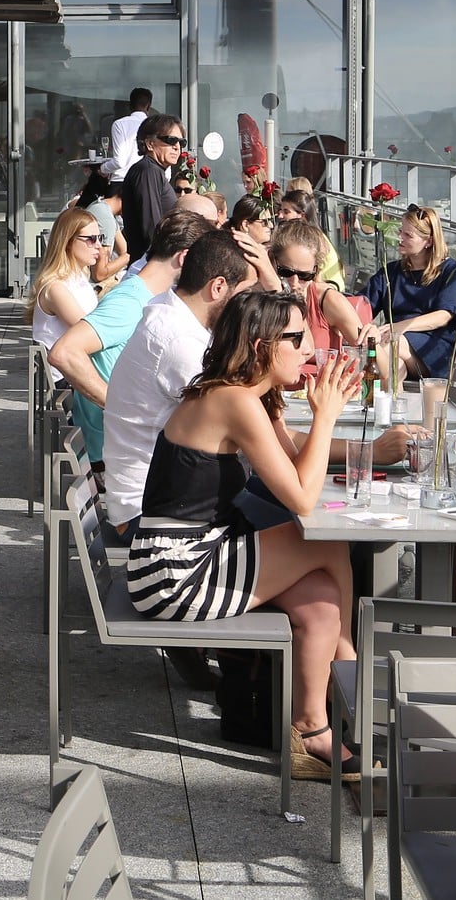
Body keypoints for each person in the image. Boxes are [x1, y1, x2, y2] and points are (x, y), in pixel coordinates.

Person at [125, 290, 361, 780]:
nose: (310, 349)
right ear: (261, 347)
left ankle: (311, 727)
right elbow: (301, 497)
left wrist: (300, 414)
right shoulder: (232, 400)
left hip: (185, 554)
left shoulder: (243, 394)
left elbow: (296, 469)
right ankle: (353, 680)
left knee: (320, 600)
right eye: (297, 338)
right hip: (174, 571)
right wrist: (325, 415)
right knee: (329, 544)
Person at [101, 230, 254, 534]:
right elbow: (248, 427)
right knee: (303, 535)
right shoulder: (181, 341)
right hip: (150, 515)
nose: (247, 306)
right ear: (219, 287)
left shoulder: (170, 314)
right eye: (244, 294)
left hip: (153, 500)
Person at [50, 210, 217, 482]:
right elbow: (64, 353)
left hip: (125, 450)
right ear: (185, 258)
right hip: (118, 457)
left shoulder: (145, 295)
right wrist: (122, 408)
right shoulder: (130, 301)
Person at [358, 203, 456, 380]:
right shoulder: (392, 271)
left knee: (390, 345)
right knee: (395, 365)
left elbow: (443, 316)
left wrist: (396, 328)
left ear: (429, 241)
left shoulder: (452, 272)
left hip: (432, 352)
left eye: (408, 235)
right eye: (401, 231)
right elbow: (364, 303)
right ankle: (391, 406)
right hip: (394, 347)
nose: (400, 237)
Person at [29, 207, 104, 381]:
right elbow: (92, 333)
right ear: (68, 242)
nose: (99, 245)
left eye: (100, 238)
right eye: (91, 239)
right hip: (68, 378)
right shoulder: (56, 288)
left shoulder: (79, 279)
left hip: (80, 368)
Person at [274, 220, 366, 356]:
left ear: (315, 271)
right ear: (273, 262)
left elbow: (383, 369)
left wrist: (373, 342)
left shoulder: (328, 300)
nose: (294, 282)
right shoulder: (262, 295)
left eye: (304, 275)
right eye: (285, 272)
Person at [120, 113, 185, 260]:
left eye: (181, 142)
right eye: (171, 140)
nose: (177, 147)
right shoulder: (149, 171)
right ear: (150, 144)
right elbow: (151, 228)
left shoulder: (153, 170)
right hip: (151, 265)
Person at [73, 166, 131, 283]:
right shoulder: (105, 219)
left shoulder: (104, 209)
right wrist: (130, 256)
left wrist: (128, 255)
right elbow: (99, 274)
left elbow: (125, 250)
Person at [108, 86, 153, 181]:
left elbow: (119, 162)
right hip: (148, 180)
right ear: (148, 106)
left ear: (130, 105)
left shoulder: (119, 124)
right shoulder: (155, 126)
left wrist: (103, 169)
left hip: (121, 181)